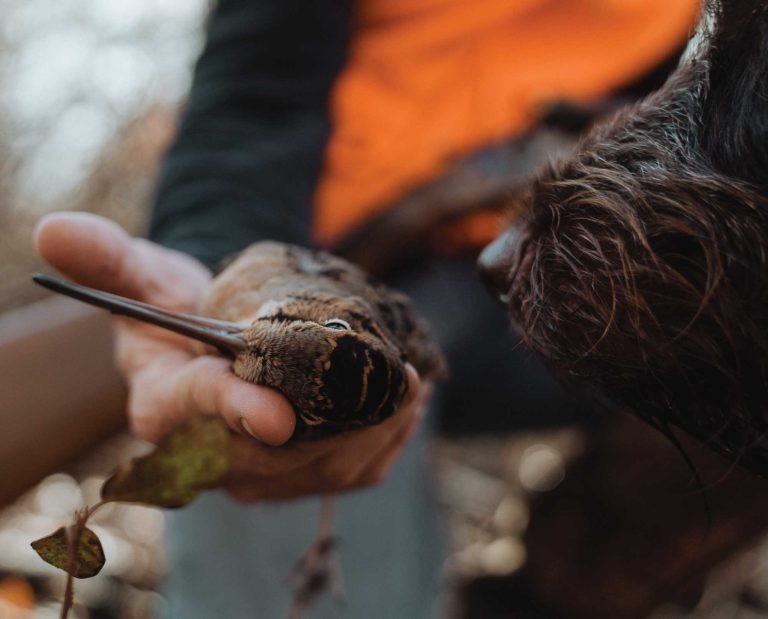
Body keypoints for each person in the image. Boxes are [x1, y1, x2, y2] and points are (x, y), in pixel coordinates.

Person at [34, 0, 698, 616]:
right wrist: (221, 268)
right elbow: (253, 98)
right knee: (271, 417)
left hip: (530, 270)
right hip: (324, 246)